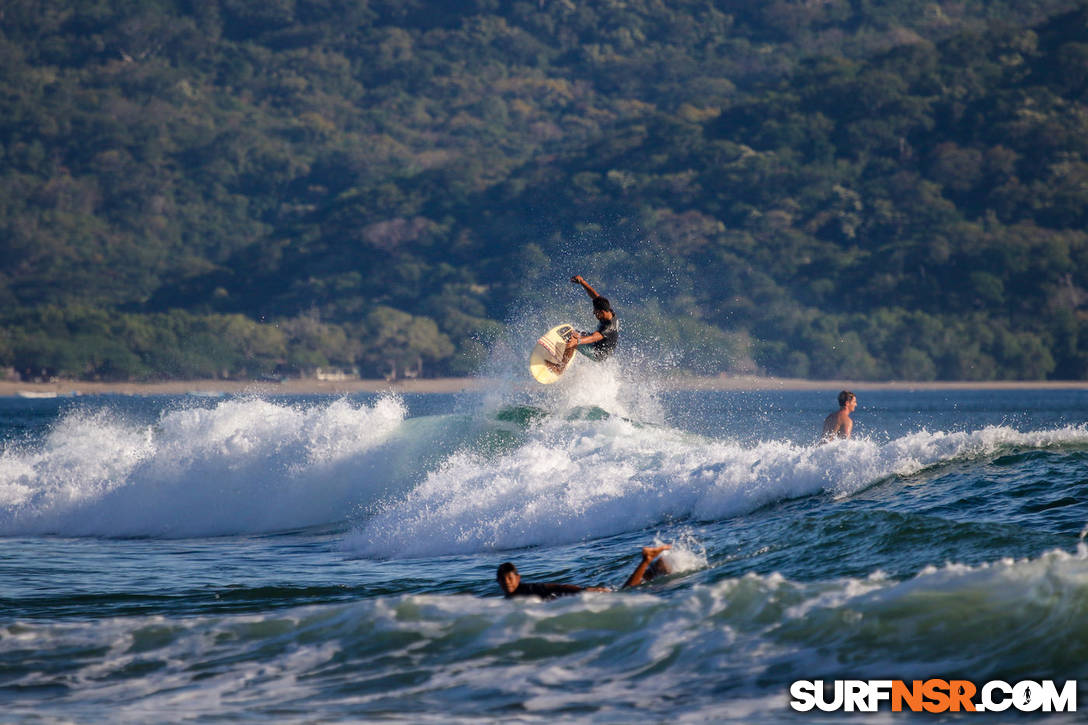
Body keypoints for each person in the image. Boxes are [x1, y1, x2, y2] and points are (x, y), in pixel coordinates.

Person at [497, 545, 672, 600]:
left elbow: (558, 586)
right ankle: (656, 569)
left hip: (579, 597)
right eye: (503, 580)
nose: (507, 583)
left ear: (518, 578)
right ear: (498, 582)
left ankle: (647, 559)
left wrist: (583, 591)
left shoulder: (526, 590)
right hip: (574, 600)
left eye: (510, 579)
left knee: (626, 593)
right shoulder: (512, 598)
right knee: (627, 589)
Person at [545, 275, 619, 374]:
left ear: (602, 312)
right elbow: (595, 296)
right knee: (571, 333)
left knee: (574, 342)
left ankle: (559, 368)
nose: (594, 314)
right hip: (598, 343)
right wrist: (582, 282)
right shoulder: (608, 310)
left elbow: (594, 337)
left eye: (595, 313)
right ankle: (565, 352)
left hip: (599, 353)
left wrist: (578, 341)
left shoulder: (609, 327)